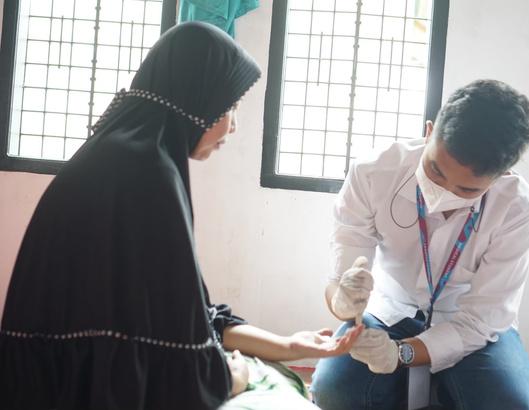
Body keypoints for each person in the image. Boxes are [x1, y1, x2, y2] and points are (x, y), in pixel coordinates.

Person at [0, 22, 361, 410]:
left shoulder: (121, 154)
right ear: (194, 100)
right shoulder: (148, 171)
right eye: (229, 108)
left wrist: (288, 345)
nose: (233, 126)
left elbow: (187, 320)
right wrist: (231, 379)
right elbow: (182, 365)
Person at [310, 79, 529, 410]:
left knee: (510, 403)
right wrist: (343, 301)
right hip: (389, 310)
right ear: (429, 131)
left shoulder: (516, 208)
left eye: (467, 190)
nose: (445, 192)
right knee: (335, 391)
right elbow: (340, 279)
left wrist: (401, 354)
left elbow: (482, 319)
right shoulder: (373, 172)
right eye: (435, 171)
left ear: (502, 175)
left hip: (468, 323)